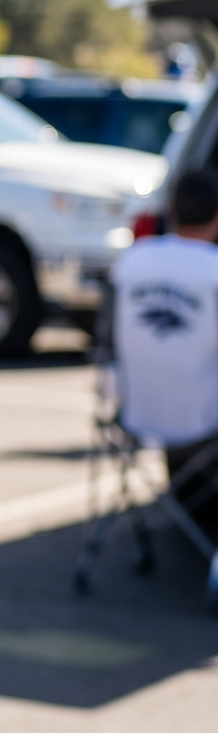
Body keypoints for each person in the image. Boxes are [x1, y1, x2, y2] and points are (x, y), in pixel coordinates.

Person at [111, 168, 218, 506]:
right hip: (202, 423)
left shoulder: (132, 261)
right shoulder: (213, 271)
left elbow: (104, 340)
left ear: (170, 209)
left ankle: (187, 502)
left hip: (134, 417)